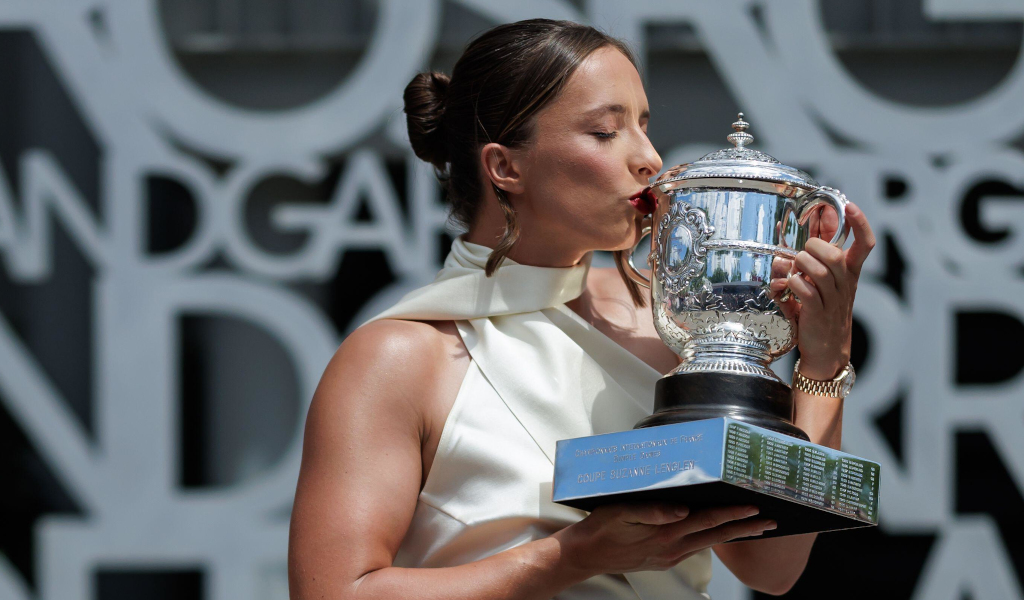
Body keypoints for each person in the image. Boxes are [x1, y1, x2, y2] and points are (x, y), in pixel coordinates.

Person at [288, 18, 875, 600]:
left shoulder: (670, 323)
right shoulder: (398, 358)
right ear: (505, 167)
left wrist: (823, 366)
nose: (649, 158)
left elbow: (770, 566)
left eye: (644, 126)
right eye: (604, 132)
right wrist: (572, 556)